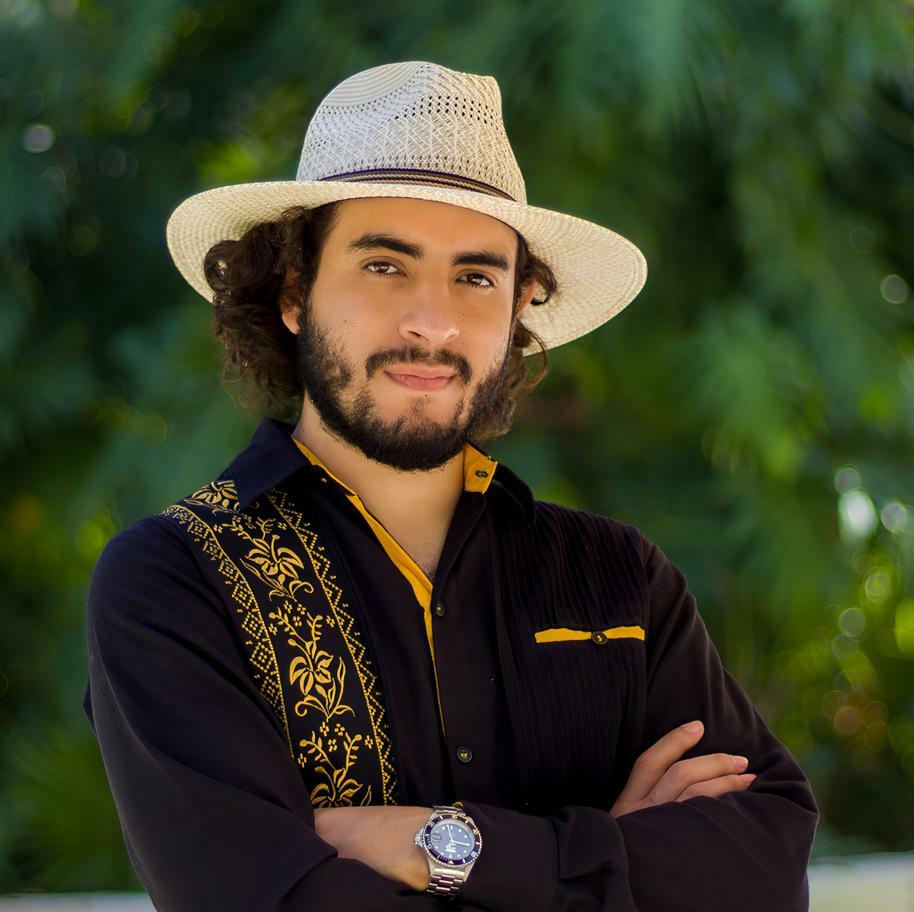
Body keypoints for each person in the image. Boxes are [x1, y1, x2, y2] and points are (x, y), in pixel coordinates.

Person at [83, 61, 819, 911]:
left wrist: (442, 849)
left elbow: (764, 875)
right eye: (384, 266)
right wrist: (609, 861)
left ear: (518, 308)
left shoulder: (619, 576)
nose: (432, 323)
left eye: (475, 277)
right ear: (293, 292)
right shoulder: (178, 582)